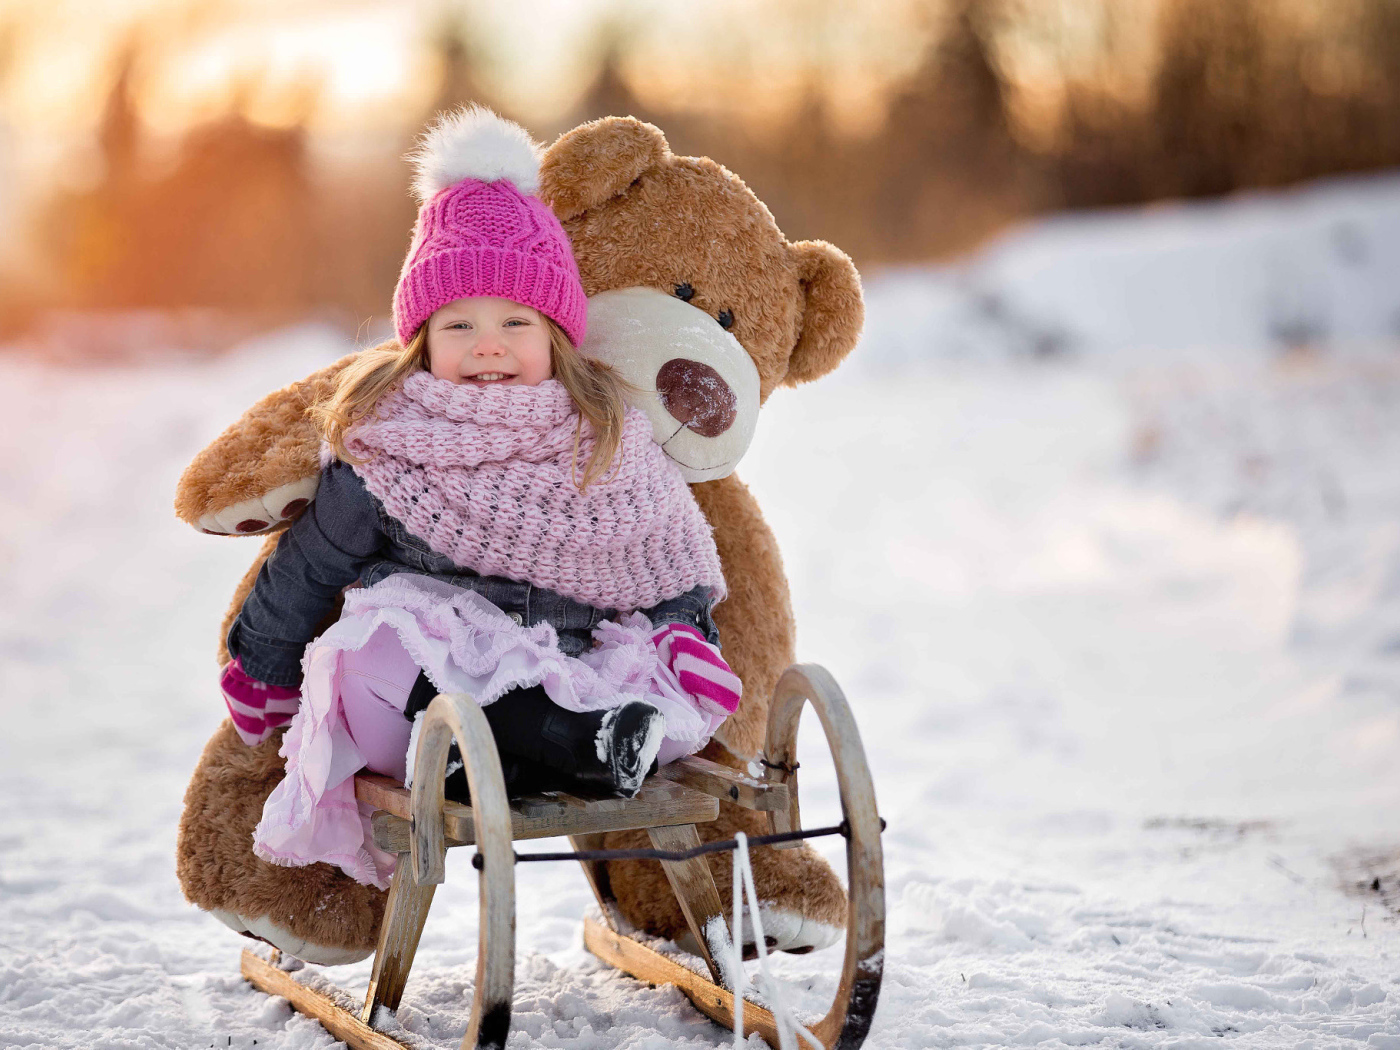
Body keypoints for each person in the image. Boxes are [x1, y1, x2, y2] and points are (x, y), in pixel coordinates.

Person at [215, 107, 740, 890]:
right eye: (458, 323)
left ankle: (585, 740)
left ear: (556, 335)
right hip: (433, 700)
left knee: (658, 705)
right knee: (365, 655)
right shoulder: (389, 441)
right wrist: (258, 663)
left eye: (514, 322)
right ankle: (554, 743)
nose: (487, 344)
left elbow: (660, 550)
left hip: (571, 668)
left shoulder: (601, 433)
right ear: (421, 337)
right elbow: (311, 561)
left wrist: (683, 631)